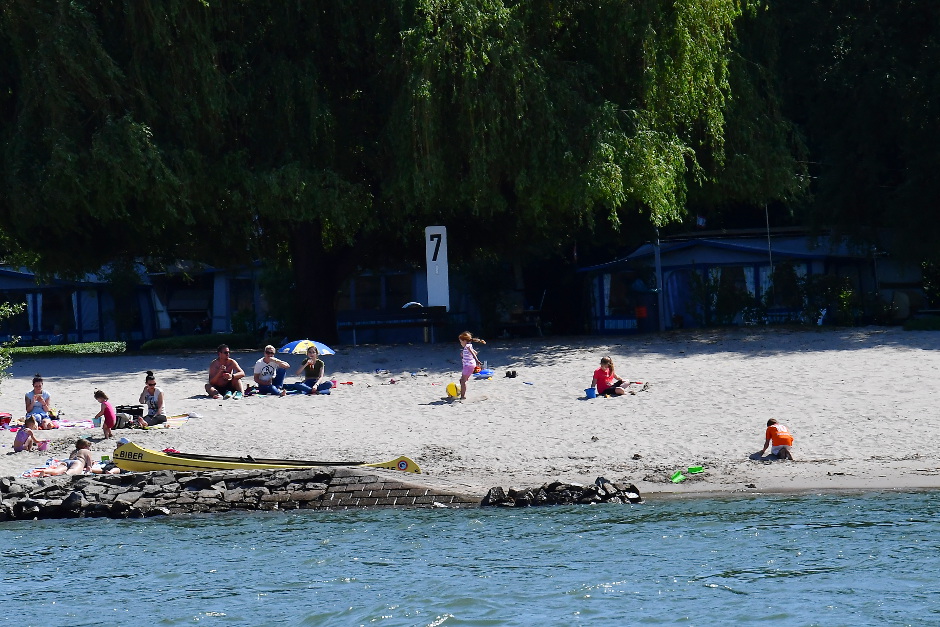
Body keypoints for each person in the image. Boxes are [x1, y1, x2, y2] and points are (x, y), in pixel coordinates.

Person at [458, 331, 485, 400]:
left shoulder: (467, 346)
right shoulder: (469, 346)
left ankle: (462, 396)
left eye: (461, 342)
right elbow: (475, 352)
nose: (461, 344)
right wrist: (464, 354)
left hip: (468, 366)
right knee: (462, 380)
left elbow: (473, 353)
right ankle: (462, 394)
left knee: (462, 381)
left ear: (464, 341)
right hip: (469, 365)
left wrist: (477, 360)